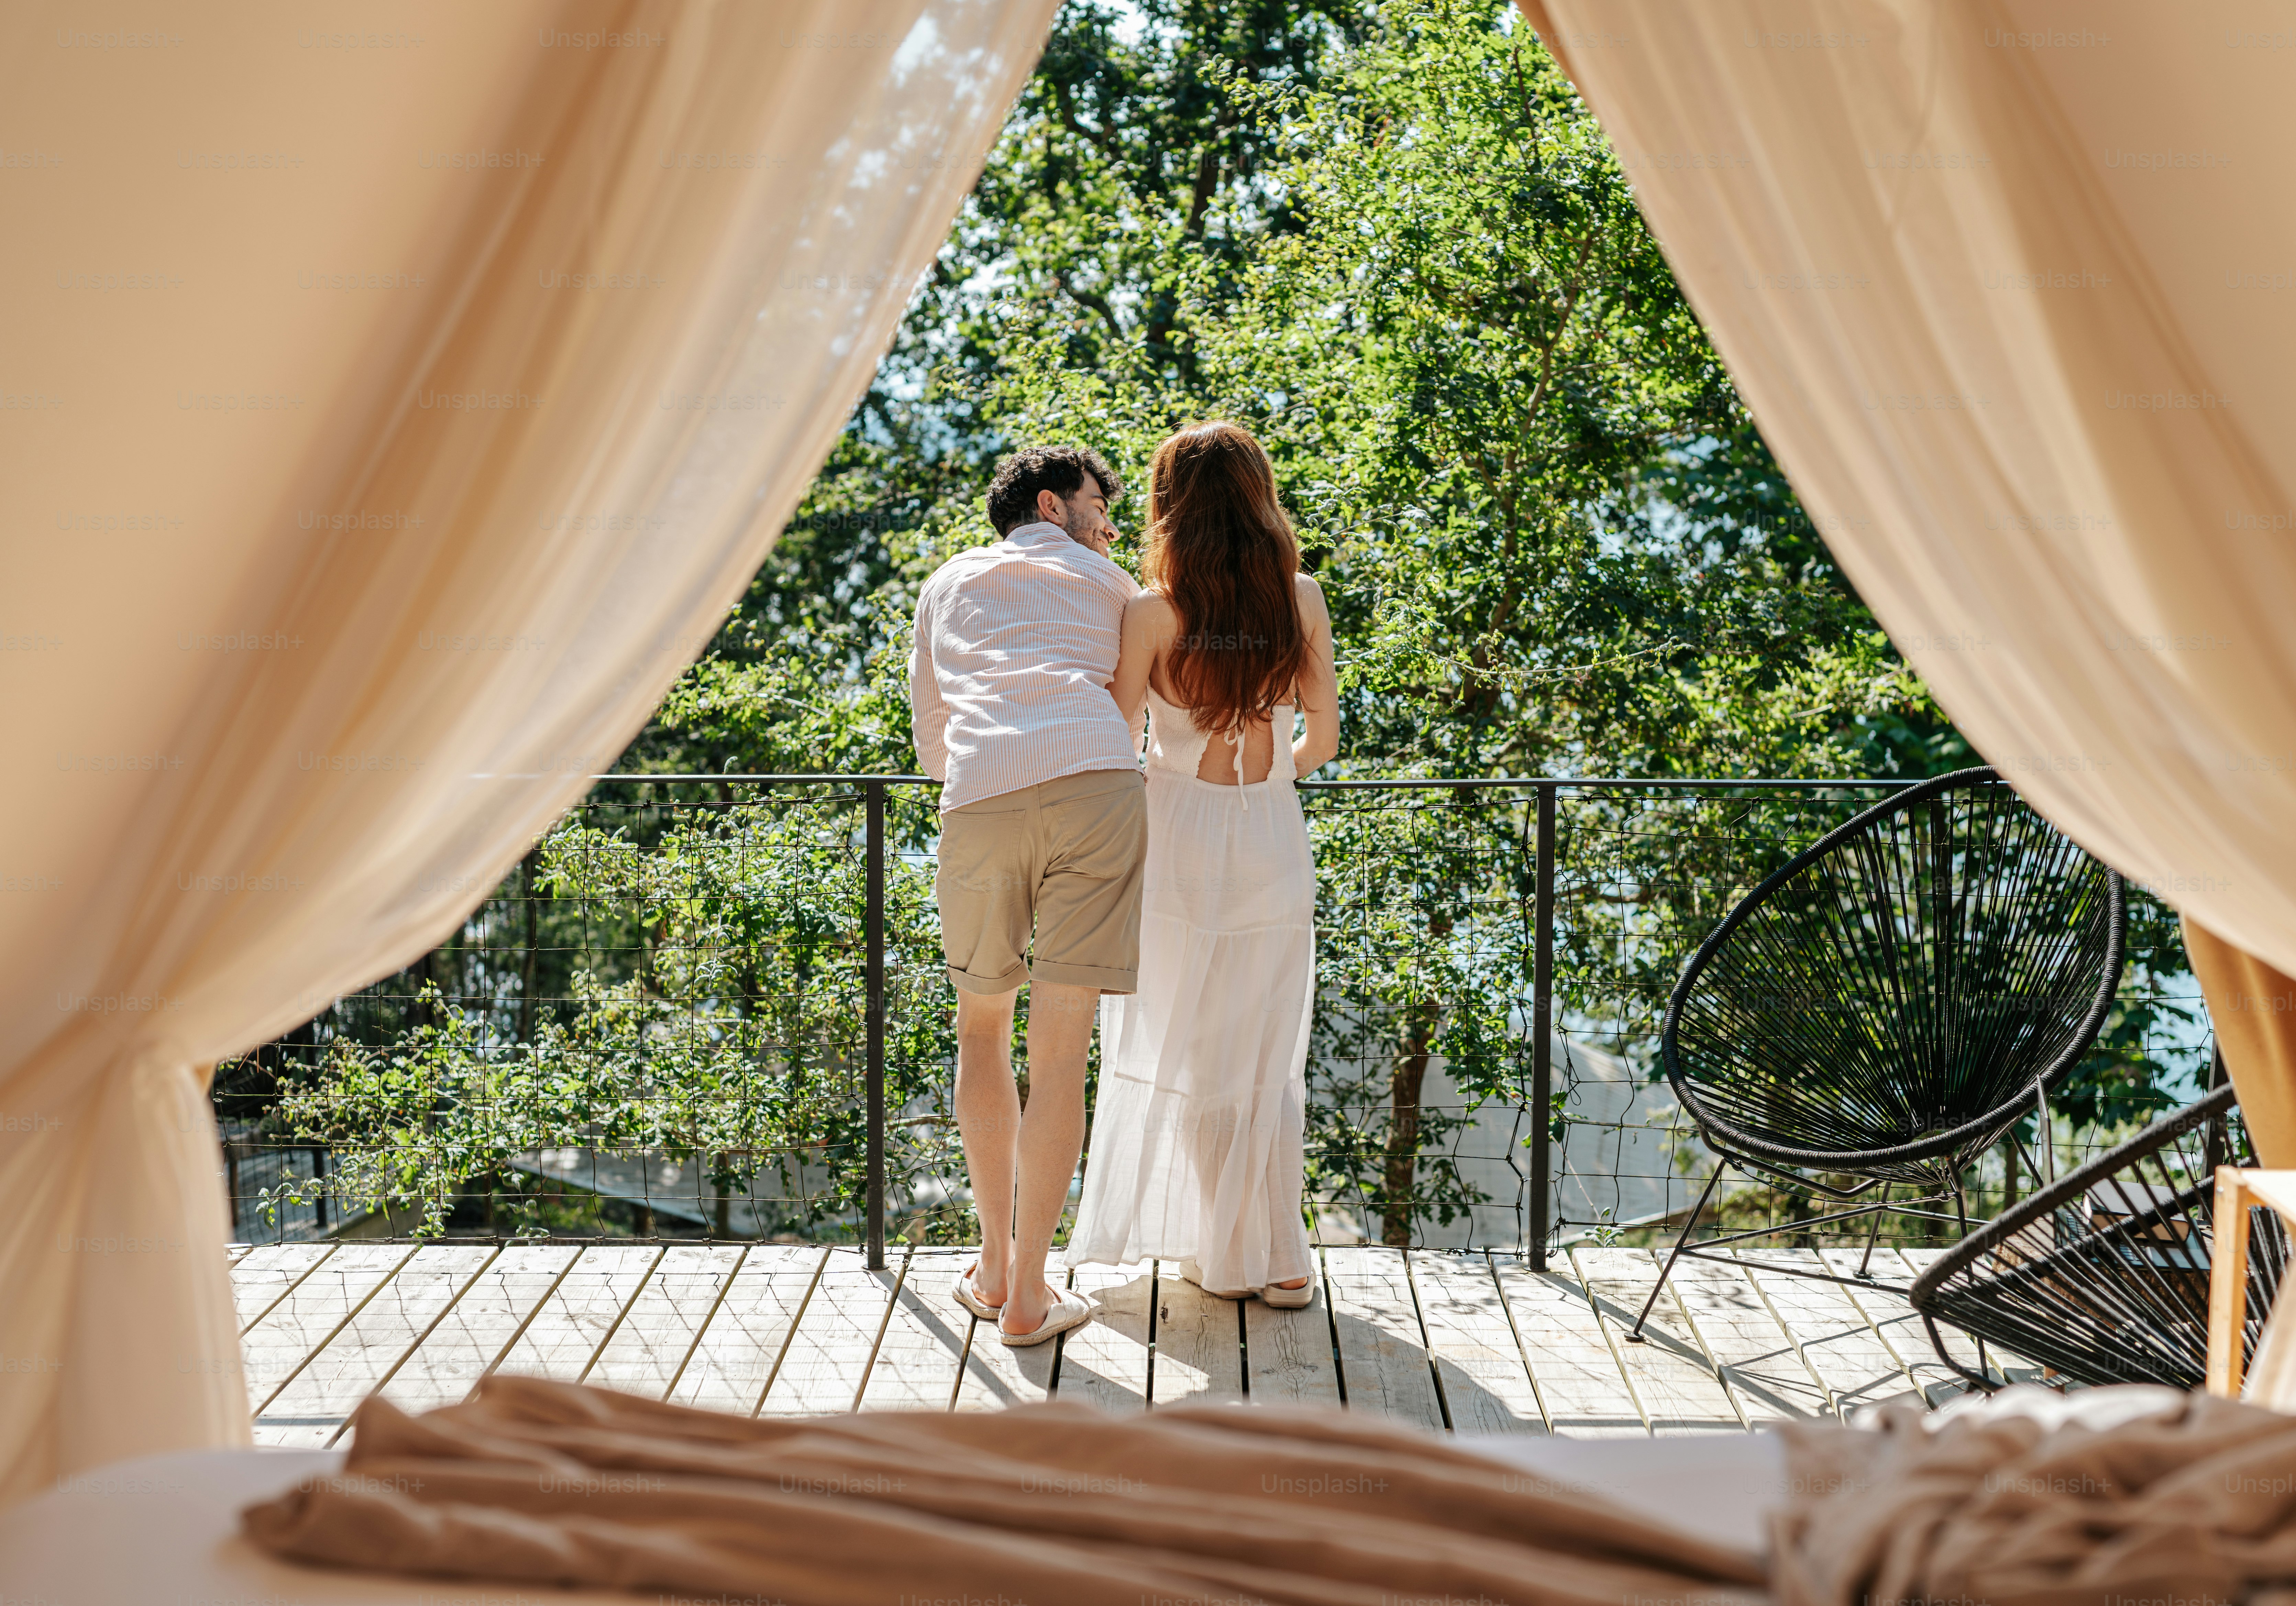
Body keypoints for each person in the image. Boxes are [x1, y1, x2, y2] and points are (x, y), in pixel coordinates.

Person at [1065, 421, 1339, 1302]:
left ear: (1169, 506)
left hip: (1176, 837)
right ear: (1260, 497)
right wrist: (1262, 793)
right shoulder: (1300, 596)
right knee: (1263, 1055)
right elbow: (1321, 740)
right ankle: (1281, 1259)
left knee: (1187, 1054)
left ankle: (1229, 1258)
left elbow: (1116, 745)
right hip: (1270, 837)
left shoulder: (1150, 612)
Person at [908, 444, 1144, 1346]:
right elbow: (1131, 706)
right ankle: (1032, 1297)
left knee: (980, 1026)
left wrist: (980, 774)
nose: (1110, 523)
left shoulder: (948, 582)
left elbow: (932, 725)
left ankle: (994, 1264)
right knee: (1062, 1050)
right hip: (1095, 784)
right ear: (1052, 506)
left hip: (982, 796)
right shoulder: (1115, 584)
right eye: (1099, 504)